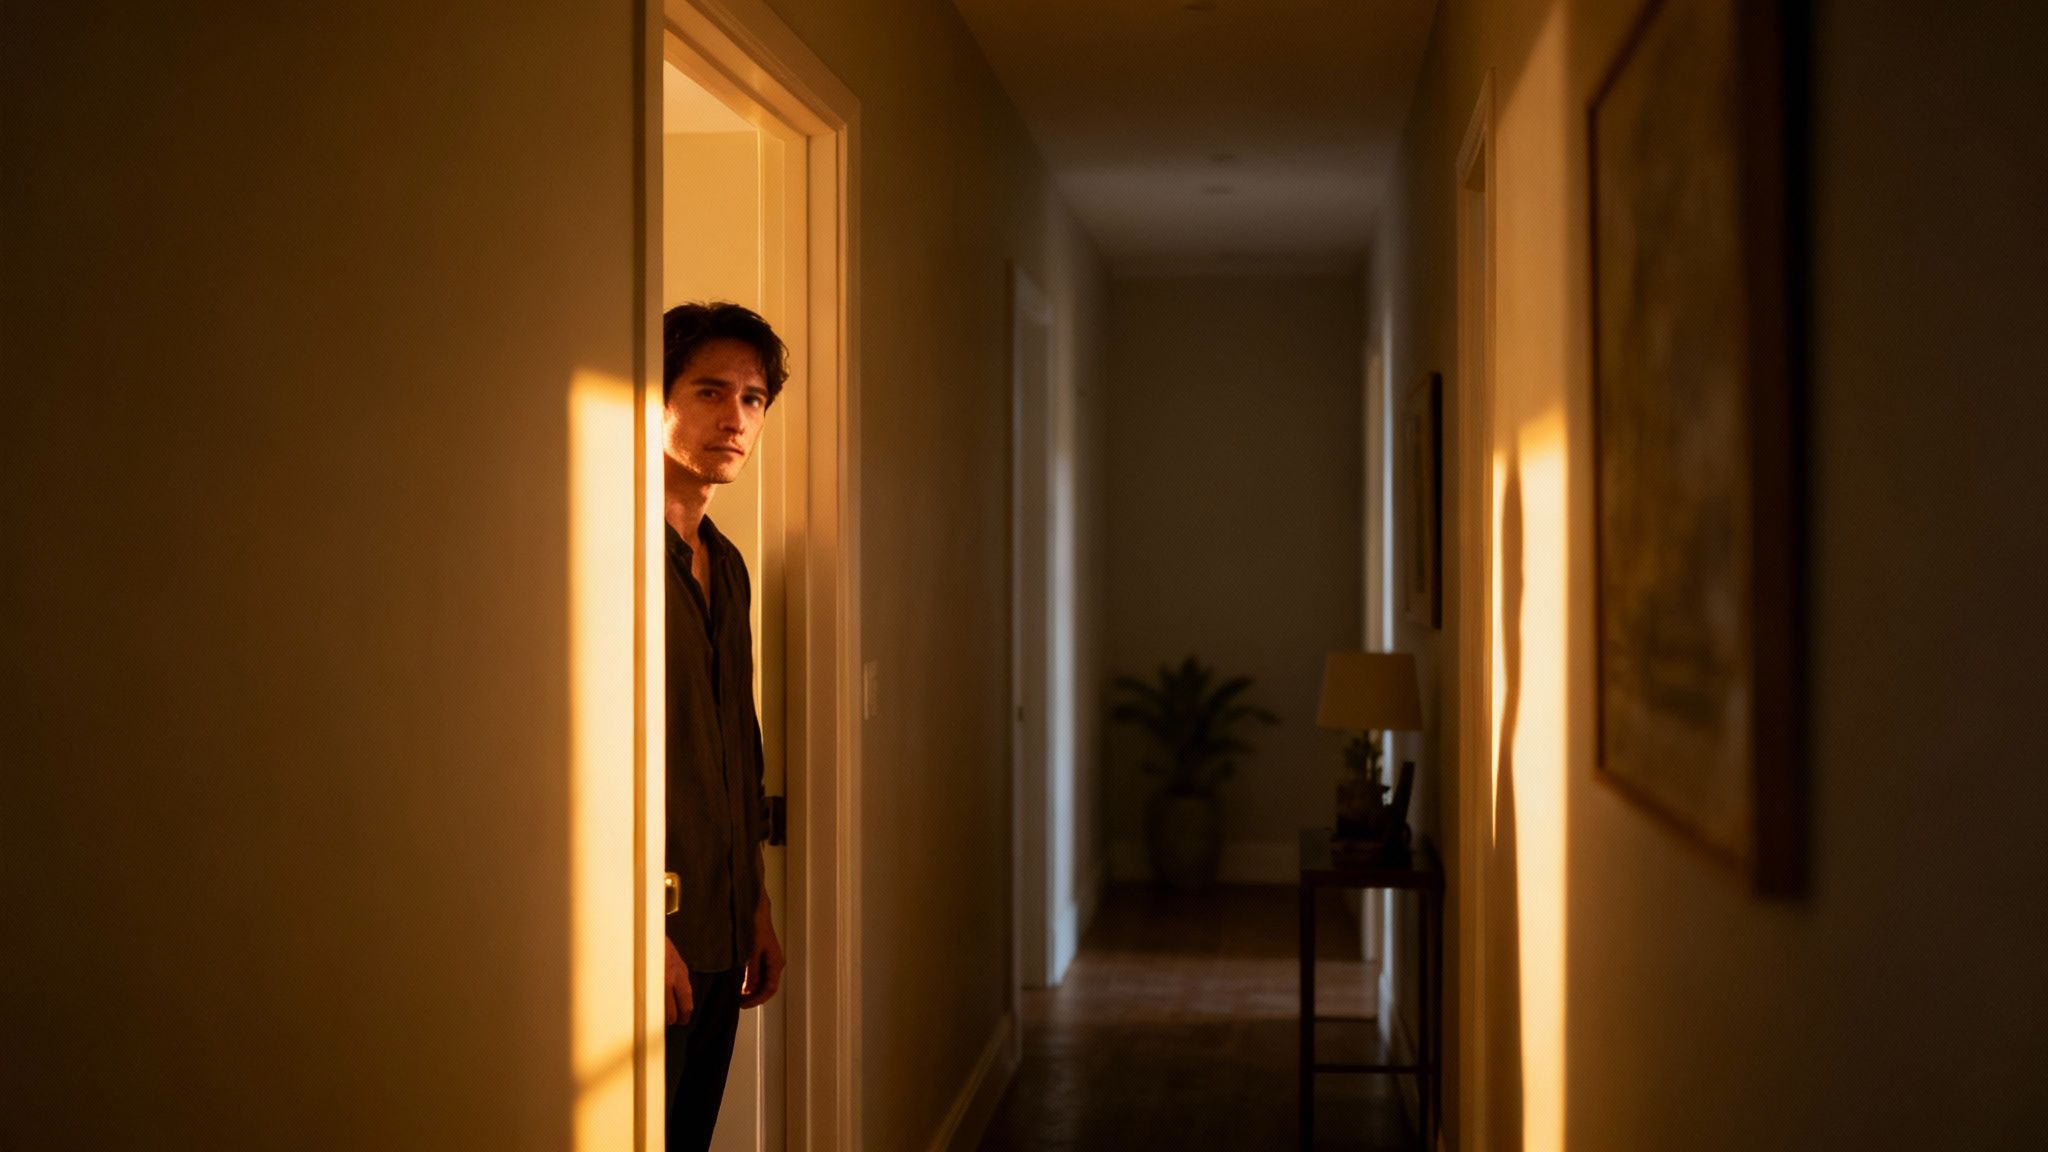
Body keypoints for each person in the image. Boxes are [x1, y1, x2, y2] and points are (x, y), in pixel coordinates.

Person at [661, 301, 788, 1151]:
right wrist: (631, 929)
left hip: (724, 921)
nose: (734, 419)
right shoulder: (609, 551)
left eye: (751, 399)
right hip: (653, 937)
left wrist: (757, 903)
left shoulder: (729, 565)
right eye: (710, 391)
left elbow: (737, 748)